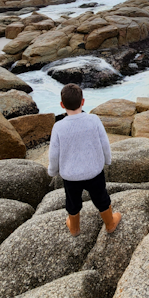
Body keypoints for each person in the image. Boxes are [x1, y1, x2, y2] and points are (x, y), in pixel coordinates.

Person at [48, 83, 122, 237]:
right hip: (94, 171)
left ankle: (74, 228)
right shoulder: (93, 120)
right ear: (83, 102)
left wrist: (53, 171)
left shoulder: (58, 127)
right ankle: (110, 223)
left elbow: (54, 153)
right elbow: (105, 143)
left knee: (72, 202)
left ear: (62, 105)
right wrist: (107, 160)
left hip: (70, 175)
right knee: (101, 197)